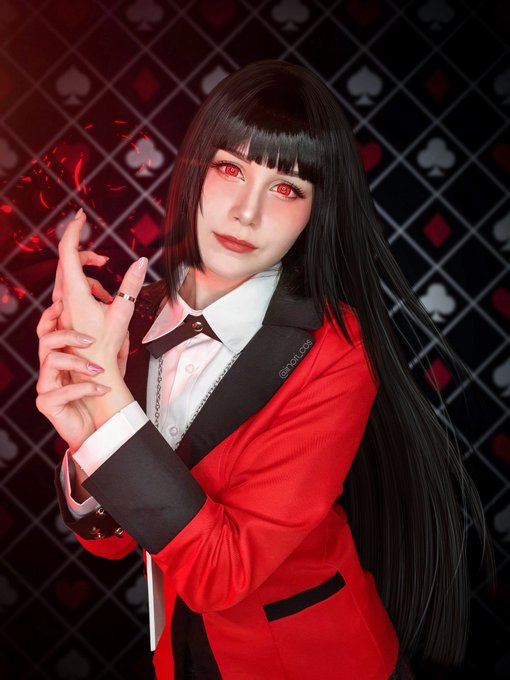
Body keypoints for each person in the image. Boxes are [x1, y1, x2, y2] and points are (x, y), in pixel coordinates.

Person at [36, 60, 494, 680]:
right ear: (195, 170)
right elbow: (116, 540)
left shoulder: (336, 350)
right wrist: (85, 435)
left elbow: (222, 572)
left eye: (287, 189)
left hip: (315, 661)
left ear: (316, 210)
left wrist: (108, 412)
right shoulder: (134, 313)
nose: (246, 213)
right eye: (231, 169)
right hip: (181, 658)